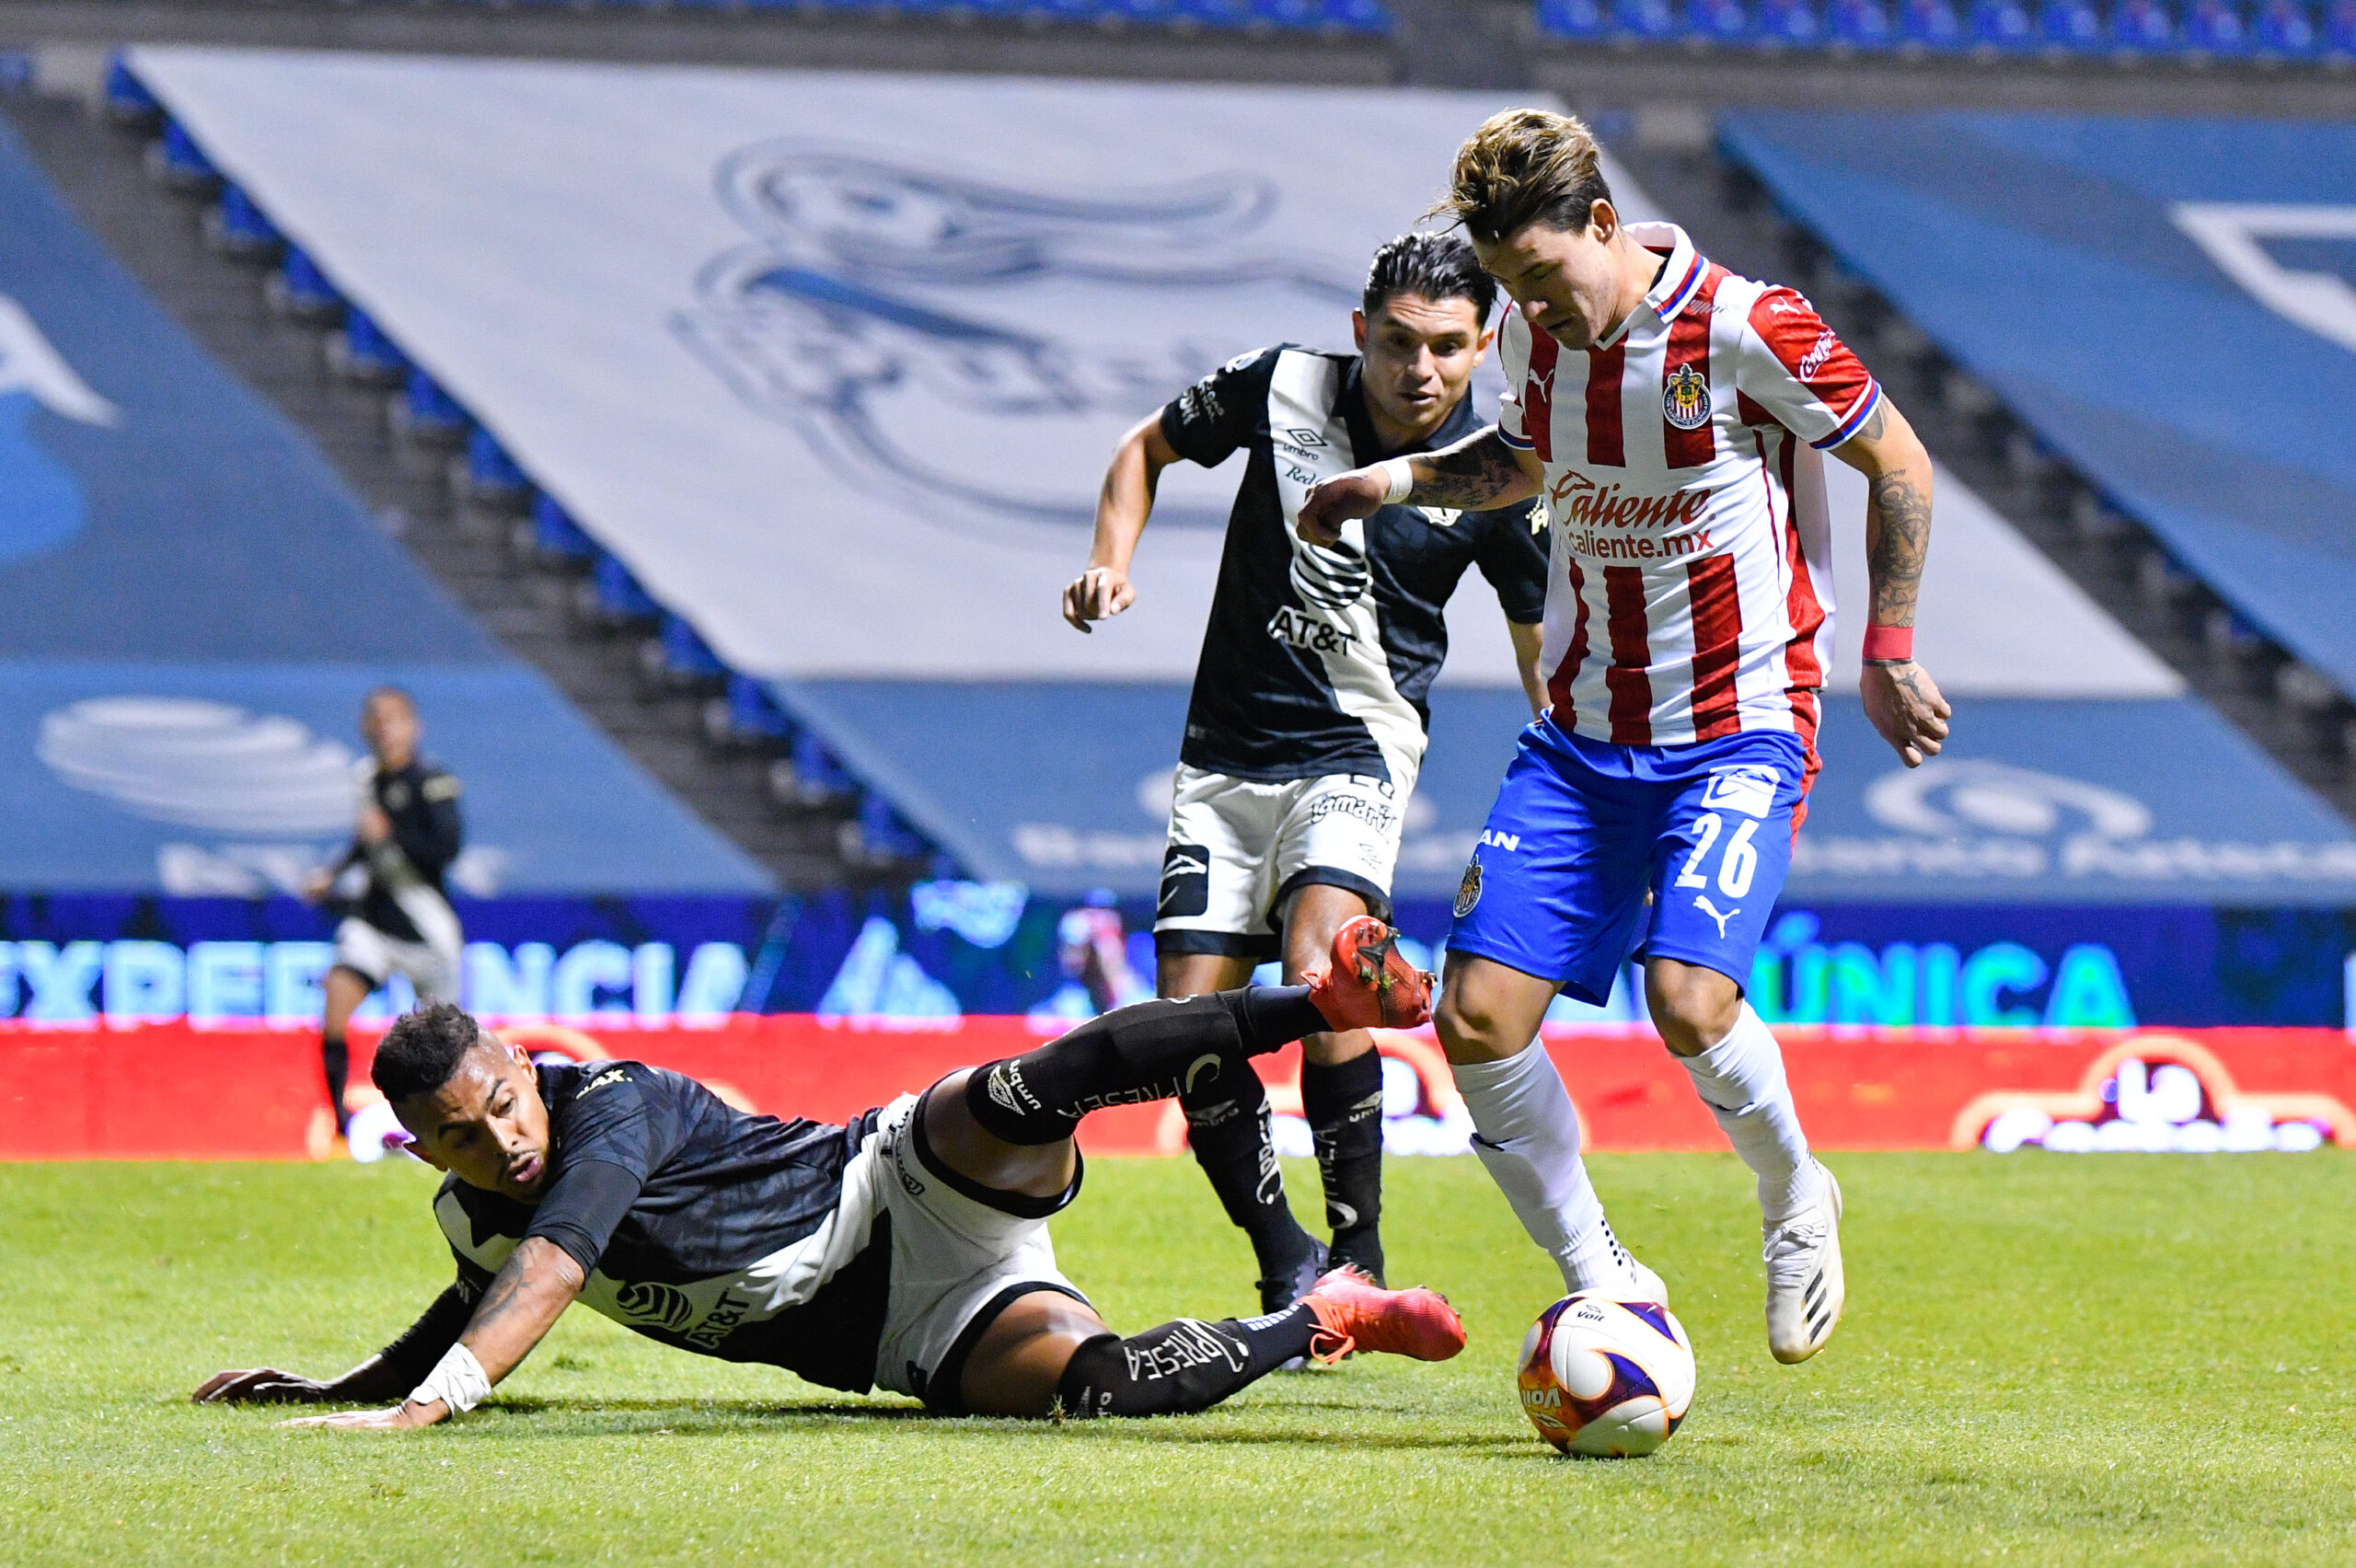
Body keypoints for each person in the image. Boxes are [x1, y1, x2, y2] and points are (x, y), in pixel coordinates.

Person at [1297, 110, 1952, 1365]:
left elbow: (1901, 460)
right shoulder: (1544, 344)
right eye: (1509, 289)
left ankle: (1794, 1193)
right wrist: (1388, 481)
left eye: (1540, 280)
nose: (1530, 311)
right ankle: (1606, 1275)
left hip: (1737, 726)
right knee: (1476, 1018)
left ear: (1604, 226)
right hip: (1585, 737)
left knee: (1689, 996)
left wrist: (1888, 647)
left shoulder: (1746, 324)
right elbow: (1523, 463)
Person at [191, 919, 1462, 1428]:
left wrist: (434, 1410)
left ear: (527, 1064)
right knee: (1097, 1389)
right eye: (463, 1136)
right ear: (425, 1147)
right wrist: (332, 1386)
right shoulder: (474, 1220)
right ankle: (1323, 1315)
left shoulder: (613, 1109)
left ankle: (1320, 998)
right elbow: (468, 1307)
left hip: (893, 1179)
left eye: (505, 1103)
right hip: (906, 1332)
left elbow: (551, 1265)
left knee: (1034, 1086)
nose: (503, 1142)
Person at [1061, 232, 1551, 1311]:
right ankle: (1286, 1260)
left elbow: (1538, 653)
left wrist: (1576, 784)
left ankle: (1358, 1254)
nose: (1418, 369)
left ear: (1484, 346)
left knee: (1330, 972)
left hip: (1357, 752)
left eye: (1447, 347)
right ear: (1357, 334)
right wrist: (1109, 562)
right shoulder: (1279, 384)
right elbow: (1143, 447)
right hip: (1222, 758)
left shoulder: (1496, 476)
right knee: (1186, 1024)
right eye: (1397, 342)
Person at [300, 687, 465, 1137]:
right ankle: (338, 1123)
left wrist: (393, 833)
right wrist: (333, 875)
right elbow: (366, 843)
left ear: (414, 727)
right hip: (374, 921)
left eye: (395, 718)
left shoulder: (433, 783)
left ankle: (446, 1130)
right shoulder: (366, 780)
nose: (385, 728)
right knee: (336, 998)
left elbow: (445, 851)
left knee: (446, 1046)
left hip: (427, 929)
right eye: (377, 718)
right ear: (365, 728)